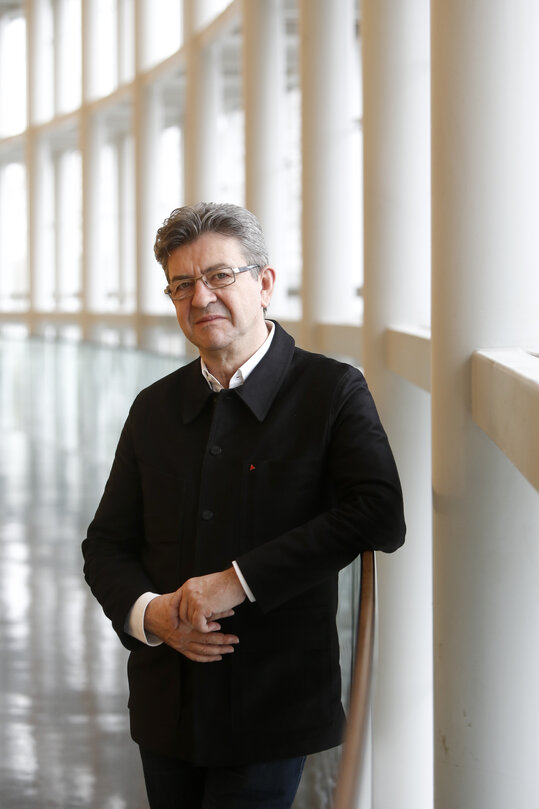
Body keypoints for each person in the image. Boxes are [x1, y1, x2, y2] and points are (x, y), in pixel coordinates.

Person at [82, 202, 405, 809]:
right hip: (166, 705)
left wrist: (236, 583)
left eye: (220, 276)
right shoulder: (153, 407)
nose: (201, 297)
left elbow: (380, 512)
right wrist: (150, 615)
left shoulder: (332, 390)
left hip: (273, 703)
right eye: (183, 285)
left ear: (264, 283)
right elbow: (105, 544)